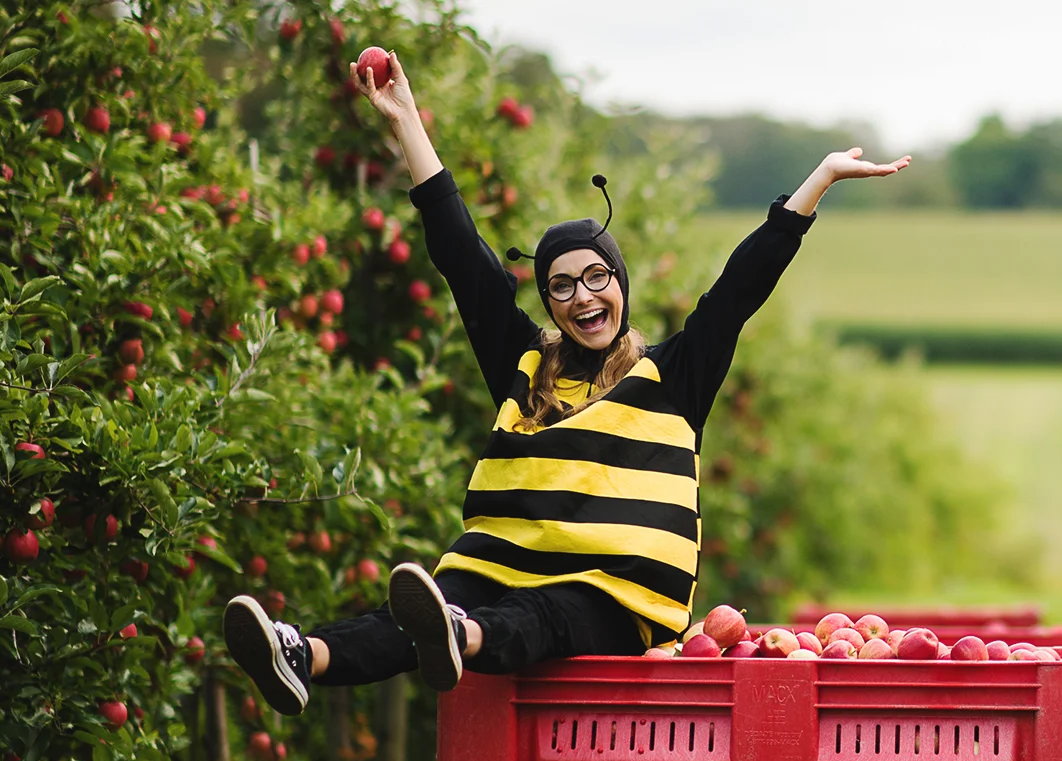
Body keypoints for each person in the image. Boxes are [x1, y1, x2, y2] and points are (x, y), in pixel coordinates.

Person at [224, 51, 908, 715]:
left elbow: (740, 287)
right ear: (549, 302)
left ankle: (457, 635)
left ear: (619, 284)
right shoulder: (523, 368)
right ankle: (302, 654)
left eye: (596, 277)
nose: (582, 297)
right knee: (426, 602)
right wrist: (406, 119)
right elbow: (462, 257)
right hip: (497, 567)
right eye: (561, 286)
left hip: (618, 596)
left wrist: (816, 182)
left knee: (535, 612)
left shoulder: (672, 376)